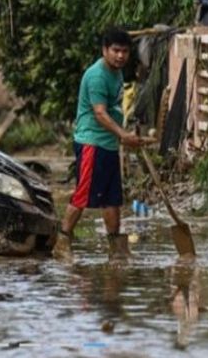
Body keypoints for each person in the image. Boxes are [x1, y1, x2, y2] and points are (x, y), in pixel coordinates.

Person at [52, 27, 144, 261]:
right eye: (115, 51)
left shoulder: (117, 73)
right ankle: (62, 242)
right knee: (82, 195)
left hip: (109, 144)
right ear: (105, 50)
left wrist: (122, 136)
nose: (120, 56)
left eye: (124, 51)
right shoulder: (97, 75)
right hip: (91, 142)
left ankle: (117, 249)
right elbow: (100, 114)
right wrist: (124, 135)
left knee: (113, 199)